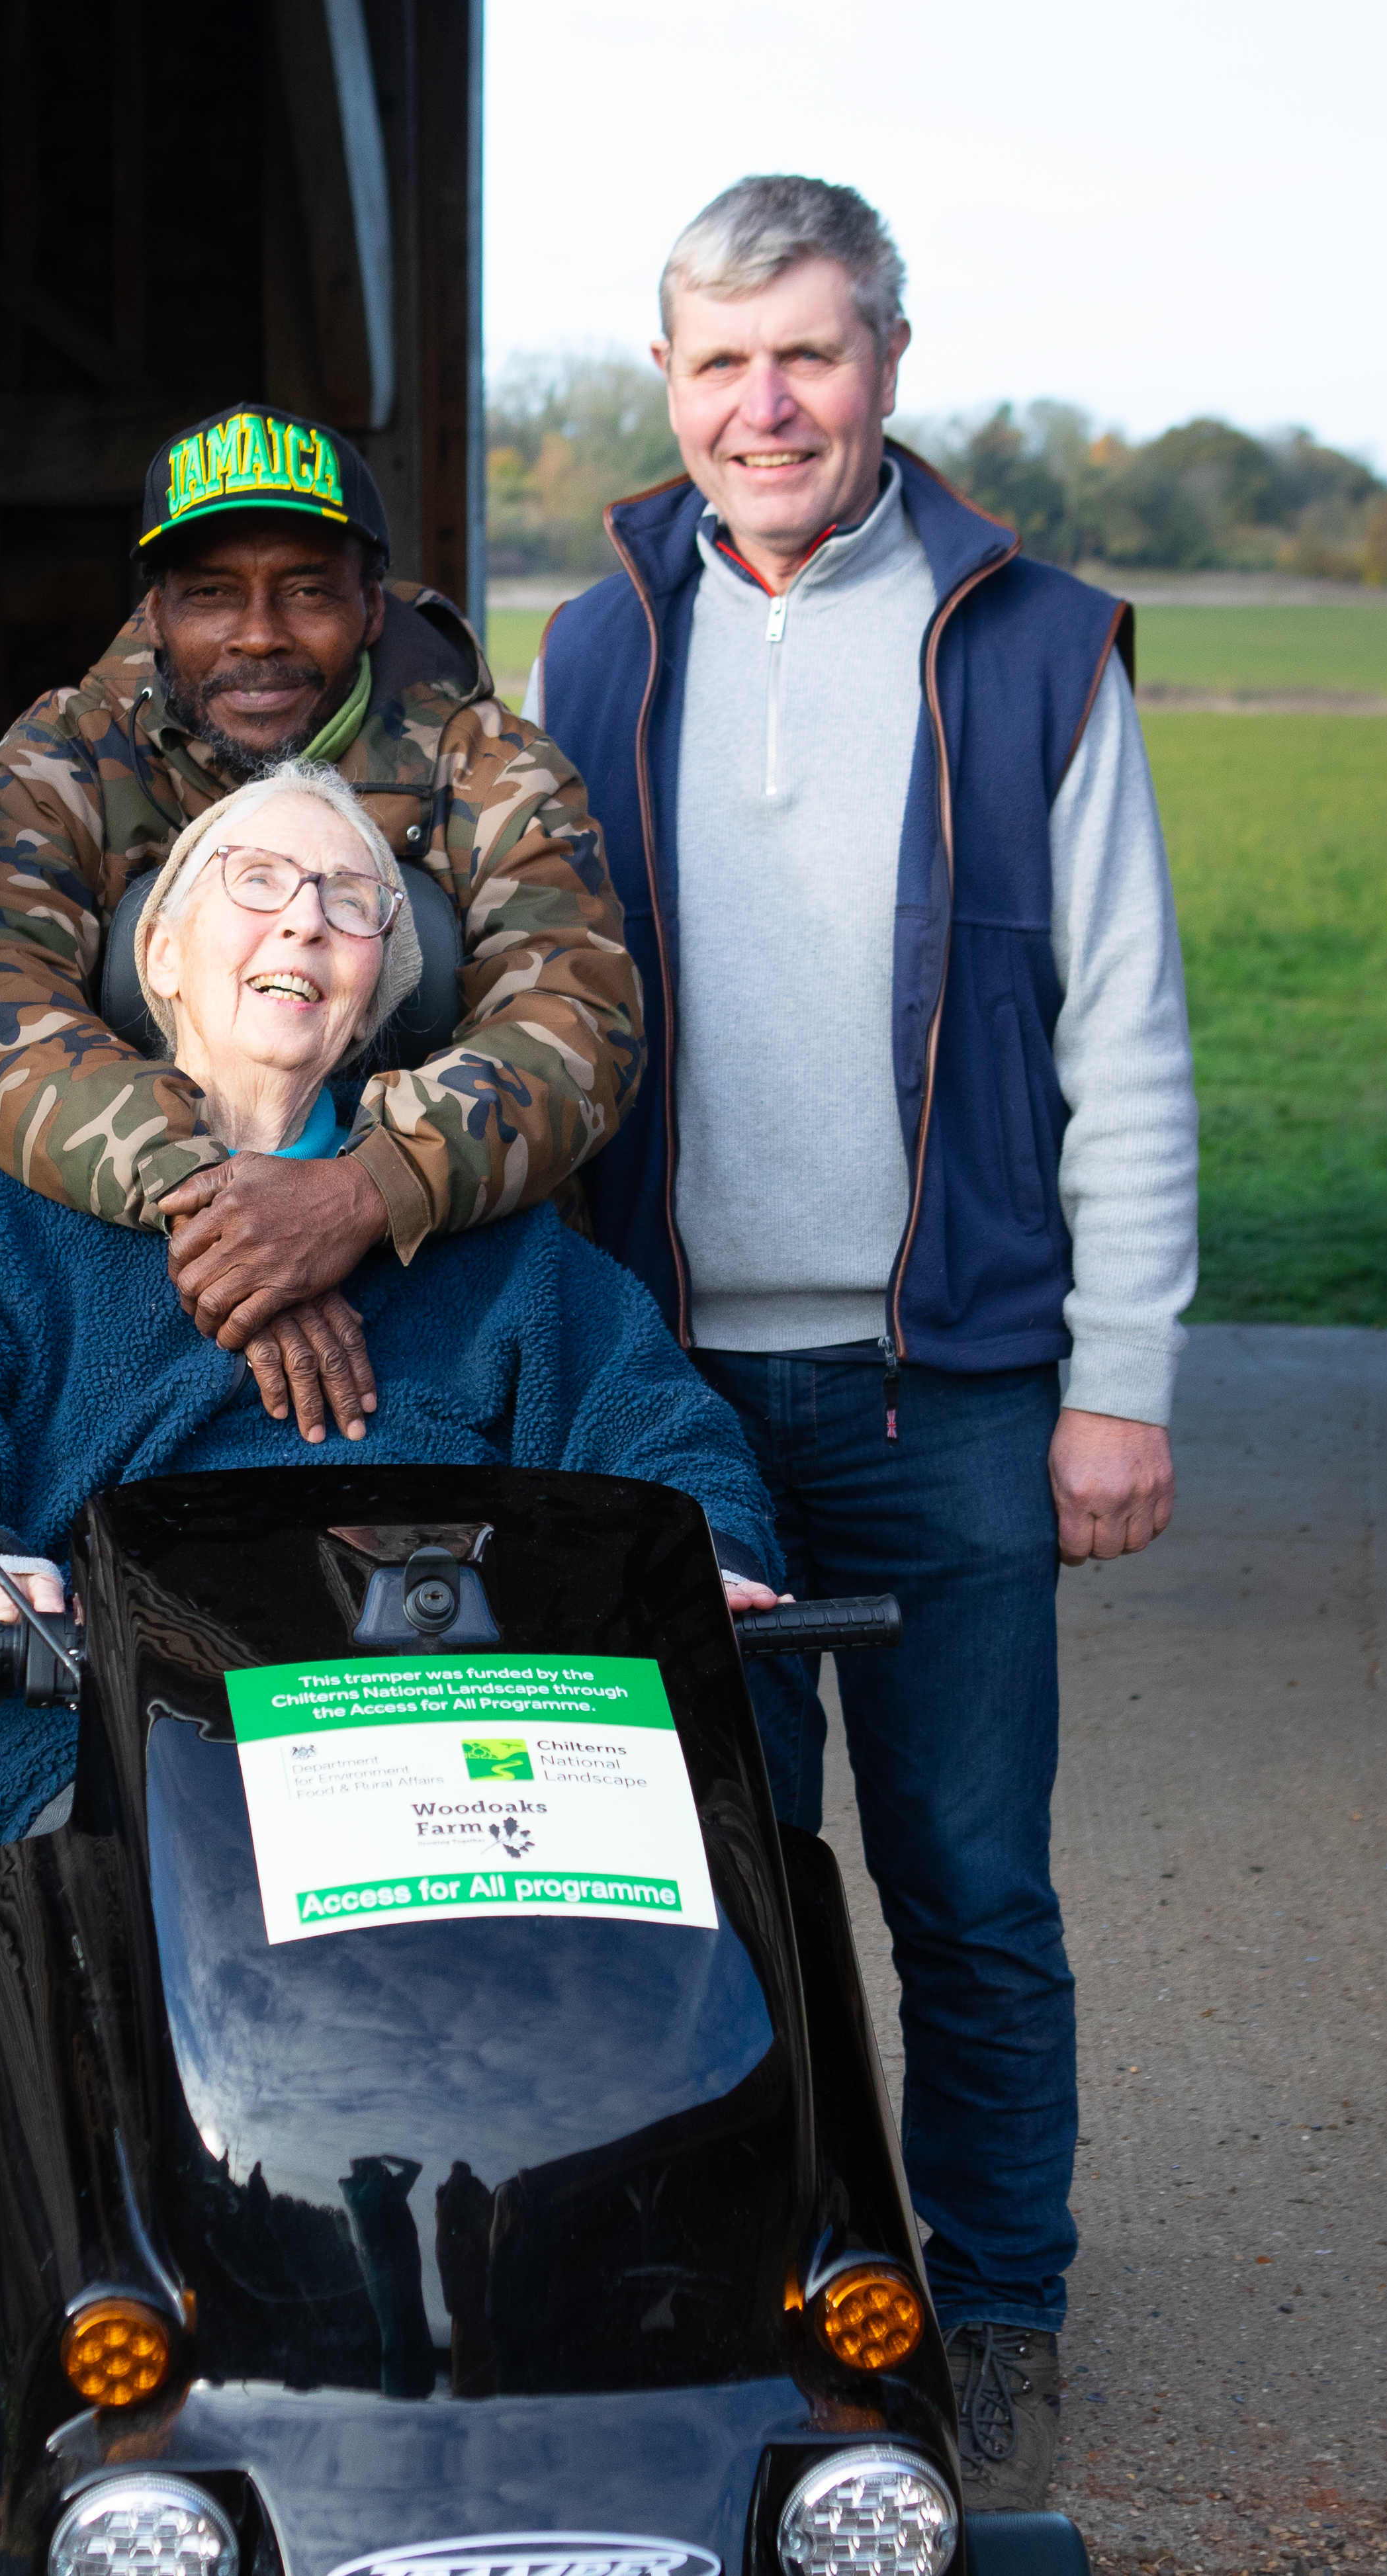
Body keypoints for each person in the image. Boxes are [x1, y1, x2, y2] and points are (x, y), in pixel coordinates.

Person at [531, 177, 1199, 2509]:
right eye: (720, 365)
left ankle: (996, 2300)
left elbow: (1123, 1028)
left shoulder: (1028, 640)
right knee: (703, 1885)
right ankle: (767, 2285)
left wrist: (1122, 1377)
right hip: (672, 1390)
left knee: (967, 1887)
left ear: (890, 363)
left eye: (806, 354)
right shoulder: (598, 639)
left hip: (951, 1391)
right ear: (671, 388)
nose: (765, 405)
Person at [0, 764, 779, 1845]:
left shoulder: (501, 1246)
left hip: (458, 1756)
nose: (305, 921)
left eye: (349, 901)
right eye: (257, 880)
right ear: (160, 956)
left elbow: (662, 1430)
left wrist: (709, 1550)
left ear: (373, 1002)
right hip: (126, 1736)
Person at [0, 403, 645, 1444]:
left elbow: (584, 1018)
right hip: (119, 1290)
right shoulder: (74, 748)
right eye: (212, 594)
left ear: (373, 605)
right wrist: (220, 1202)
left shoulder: (484, 759)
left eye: (307, 590)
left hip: (441, 1301)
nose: (258, 634)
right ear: (157, 609)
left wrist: (360, 1193)